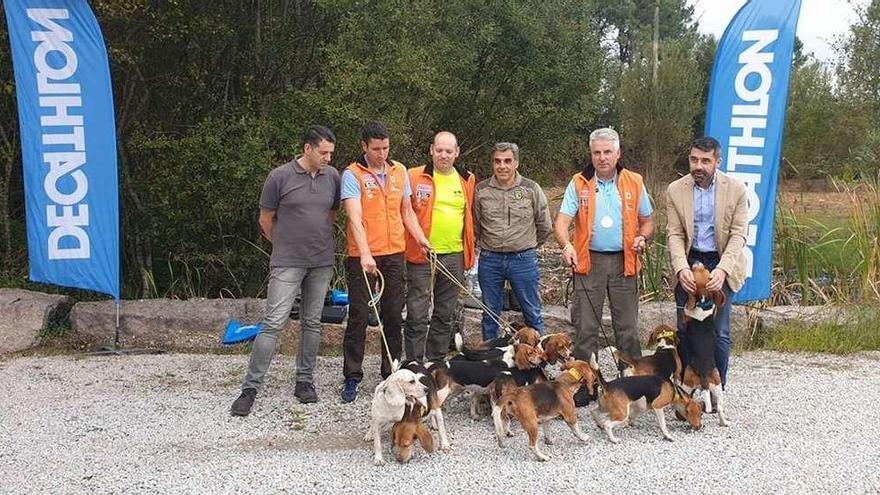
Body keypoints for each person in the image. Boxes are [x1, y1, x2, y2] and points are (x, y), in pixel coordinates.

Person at [231, 126, 340, 416]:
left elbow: (331, 214)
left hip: (321, 261)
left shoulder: (333, 177)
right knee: (273, 323)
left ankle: (305, 381)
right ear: (307, 149)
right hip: (287, 261)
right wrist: (282, 244)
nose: (328, 158)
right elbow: (266, 219)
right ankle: (250, 388)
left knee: (312, 323)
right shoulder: (279, 177)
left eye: (331, 153)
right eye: (323, 152)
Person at [554, 128, 655, 395]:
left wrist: (642, 238)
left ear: (618, 153)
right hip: (590, 263)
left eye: (607, 152)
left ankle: (633, 386)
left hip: (625, 262)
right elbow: (562, 222)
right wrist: (567, 246)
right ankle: (584, 387)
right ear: (591, 154)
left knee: (628, 328)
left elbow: (648, 221)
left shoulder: (634, 181)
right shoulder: (579, 182)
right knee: (586, 328)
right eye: (597, 152)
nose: (602, 158)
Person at [340, 121, 431, 403]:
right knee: (358, 316)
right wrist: (365, 253)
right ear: (364, 147)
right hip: (363, 255)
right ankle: (352, 376)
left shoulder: (398, 171)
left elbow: (406, 211)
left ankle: (390, 372)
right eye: (376, 149)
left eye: (386, 148)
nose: (381, 154)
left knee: (392, 315)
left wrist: (420, 239)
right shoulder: (353, 174)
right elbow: (354, 217)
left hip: (394, 253)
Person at [667, 136, 747, 390]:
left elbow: (739, 234)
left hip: (721, 259)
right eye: (693, 160)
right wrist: (681, 268)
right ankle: (686, 388)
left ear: (717, 162)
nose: (698, 166)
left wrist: (723, 270)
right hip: (690, 259)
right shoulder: (675, 190)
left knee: (719, 332)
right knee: (684, 330)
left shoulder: (736, 189)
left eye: (705, 161)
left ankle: (716, 389)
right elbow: (675, 234)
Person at [403, 131, 476, 361]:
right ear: (431, 150)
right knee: (417, 311)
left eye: (448, 151)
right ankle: (413, 363)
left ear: (456, 153)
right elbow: (403, 211)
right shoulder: (414, 175)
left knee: (445, 312)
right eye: (439, 150)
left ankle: (435, 362)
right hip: (421, 254)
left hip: (454, 253)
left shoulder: (467, 179)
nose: (443, 155)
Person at [473, 142, 552, 340]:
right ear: (492, 163)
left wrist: (528, 246)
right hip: (490, 260)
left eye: (507, 161)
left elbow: (545, 225)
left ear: (516, 163)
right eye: (497, 161)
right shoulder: (481, 190)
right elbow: (475, 226)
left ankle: (537, 361)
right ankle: (490, 360)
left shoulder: (531, 189)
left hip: (523, 259)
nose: (502, 166)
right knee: (490, 314)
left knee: (532, 313)